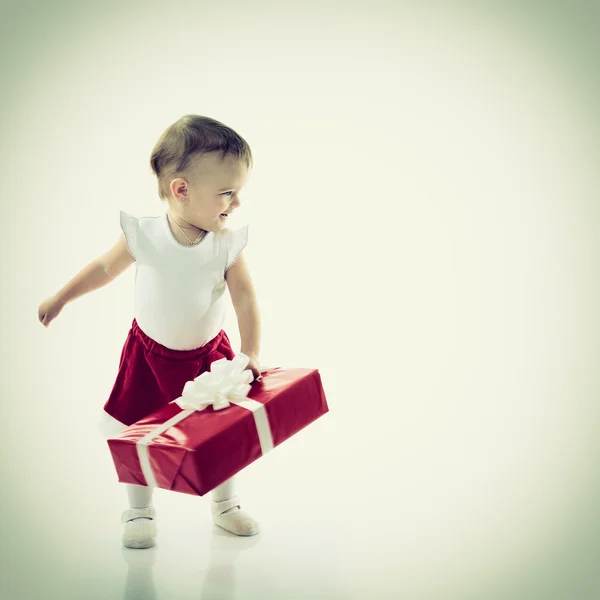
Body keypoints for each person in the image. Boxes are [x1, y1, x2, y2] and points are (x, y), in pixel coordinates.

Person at [37, 114, 263, 548]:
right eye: (227, 193)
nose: (235, 205)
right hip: (149, 355)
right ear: (181, 189)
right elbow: (103, 268)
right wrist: (61, 298)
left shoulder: (226, 243)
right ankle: (138, 508)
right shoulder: (145, 234)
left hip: (207, 358)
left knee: (222, 432)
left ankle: (225, 505)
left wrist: (251, 351)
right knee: (133, 430)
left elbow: (246, 299)